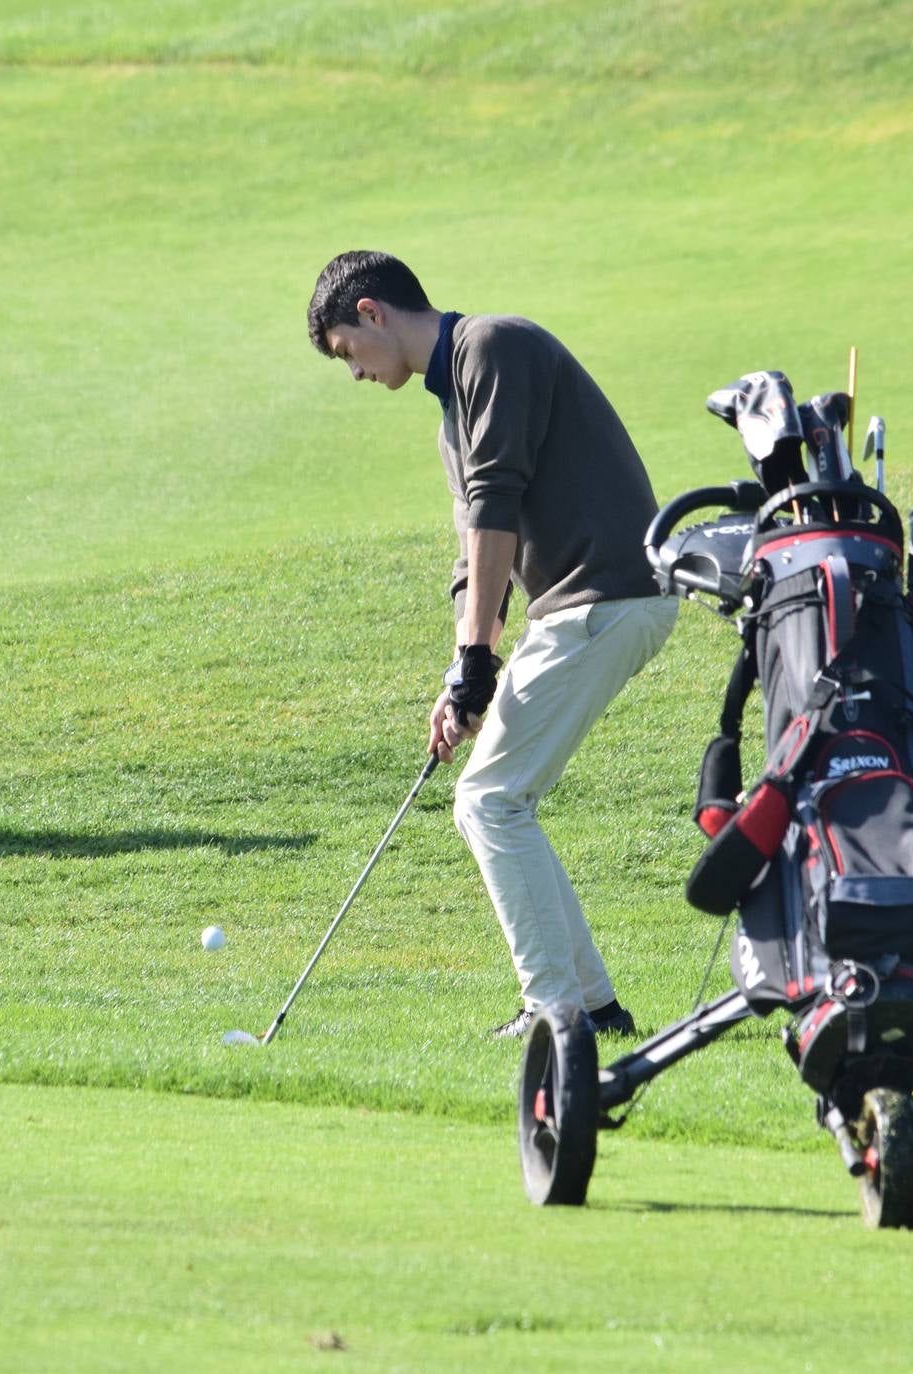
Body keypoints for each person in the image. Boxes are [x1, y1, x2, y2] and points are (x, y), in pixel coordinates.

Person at [307, 250, 679, 1038]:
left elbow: (495, 504)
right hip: (581, 606)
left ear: (371, 312)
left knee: (489, 801)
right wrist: (460, 671)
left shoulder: (492, 347)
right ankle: (594, 1009)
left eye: (347, 351)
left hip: (604, 595)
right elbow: (474, 552)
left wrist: (479, 660)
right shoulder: (454, 410)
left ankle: (555, 1012)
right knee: (496, 803)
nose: (356, 374)